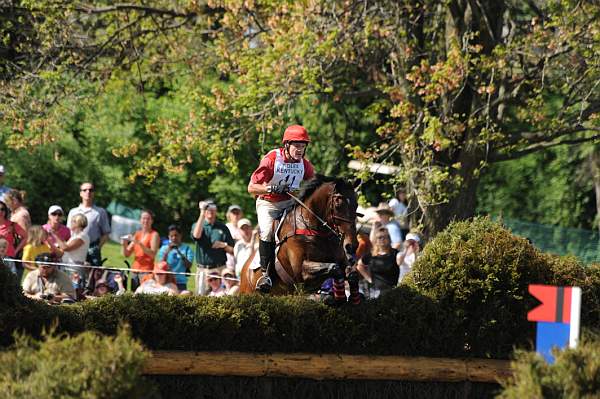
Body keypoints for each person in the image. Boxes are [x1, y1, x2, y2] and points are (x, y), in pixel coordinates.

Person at [247, 124, 315, 292]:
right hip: (268, 203)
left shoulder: (305, 165)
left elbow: (315, 184)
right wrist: (271, 188)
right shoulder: (271, 159)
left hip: (290, 203)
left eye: (303, 146)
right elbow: (251, 187)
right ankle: (265, 275)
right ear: (287, 145)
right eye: (297, 146)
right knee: (267, 232)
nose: (300, 150)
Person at [191, 201, 234, 295]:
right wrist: (202, 213)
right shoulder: (197, 225)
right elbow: (196, 235)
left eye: (212, 209)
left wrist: (224, 245)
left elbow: (232, 250)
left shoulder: (223, 227)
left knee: (222, 296)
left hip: (220, 268)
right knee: (200, 297)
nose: (210, 211)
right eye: (207, 208)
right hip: (203, 270)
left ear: (216, 211)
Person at [67, 182, 111, 266]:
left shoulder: (100, 212)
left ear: (94, 193)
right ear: (81, 193)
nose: (88, 192)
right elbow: (69, 231)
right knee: (74, 276)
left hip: (92, 250)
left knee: (92, 277)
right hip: (75, 249)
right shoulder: (73, 211)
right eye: (85, 190)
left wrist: (97, 248)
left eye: (91, 190)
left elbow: (106, 234)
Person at [356, 227, 400, 299]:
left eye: (385, 237)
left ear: (389, 239)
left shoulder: (395, 253)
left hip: (392, 291)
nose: (382, 239)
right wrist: (369, 279)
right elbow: (359, 265)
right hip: (375, 292)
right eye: (380, 237)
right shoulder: (372, 254)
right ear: (376, 240)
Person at [122, 209, 160, 291]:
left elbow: (153, 254)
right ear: (140, 220)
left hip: (147, 272)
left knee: (145, 296)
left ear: (152, 221)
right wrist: (124, 243)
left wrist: (139, 243)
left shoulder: (154, 235)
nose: (145, 221)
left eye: (148, 218)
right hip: (134, 270)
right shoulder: (137, 234)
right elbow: (127, 254)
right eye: (143, 218)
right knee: (134, 295)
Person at [158, 224, 194, 292]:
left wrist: (179, 252)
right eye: (171, 236)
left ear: (180, 235)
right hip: (167, 281)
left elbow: (189, 265)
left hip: (181, 282)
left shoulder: (187, 249)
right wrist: (167, 252)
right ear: (169, 237)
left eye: (176, 235)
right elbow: (160, 265)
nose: (174, 238)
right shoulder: (163, 249)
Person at [0, 200, 28, 282]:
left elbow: (26, 237)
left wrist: (16, 251)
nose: (0, 211)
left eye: (2, 209)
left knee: (11, 281)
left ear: (6, 211)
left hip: (9, 257)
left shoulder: (12, 225)